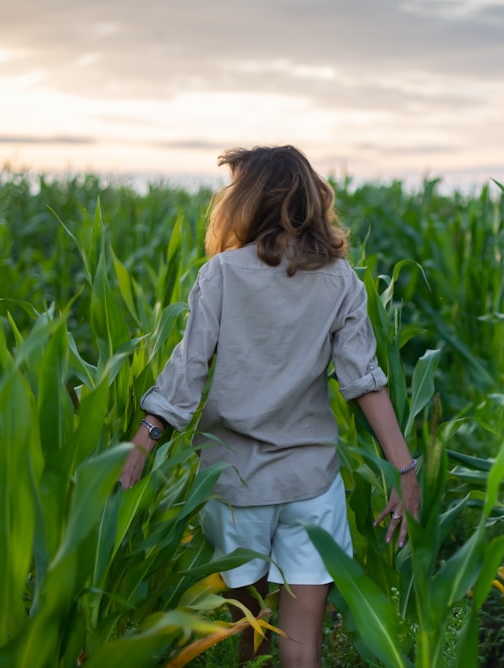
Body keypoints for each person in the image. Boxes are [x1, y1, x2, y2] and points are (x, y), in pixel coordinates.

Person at [118, 145, 421, 668]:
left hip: (237, 484)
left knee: (249, 633)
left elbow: (185, 374)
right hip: (312, 482)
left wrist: (140, 445)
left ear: (250, 202)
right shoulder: (341, 279)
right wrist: (404, 468)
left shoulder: (221, 275)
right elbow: (364, 382)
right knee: (301, 648)